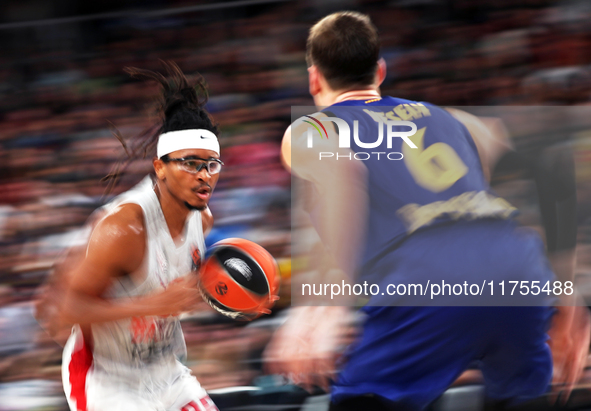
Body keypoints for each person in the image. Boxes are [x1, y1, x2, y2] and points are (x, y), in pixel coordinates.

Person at [266, 11, 590, 411]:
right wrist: (567, 295)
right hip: (516, 269)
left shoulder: (313, 130)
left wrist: (324, 304)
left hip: (426, 276)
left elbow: (341, 174)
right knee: (522, 394)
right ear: (380, 71)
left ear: (314, 78)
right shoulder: (456, 119)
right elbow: (553, 160)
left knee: (362, 399)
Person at [35, 62, 221, 411]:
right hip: (106, 378)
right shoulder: (123, 228)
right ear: (160, 168)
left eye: (211, 165)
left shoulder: (204, 220)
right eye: (190, 163)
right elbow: (58, 310)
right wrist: (154, 306)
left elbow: (179, 288)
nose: (204, 175)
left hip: (166, 372)